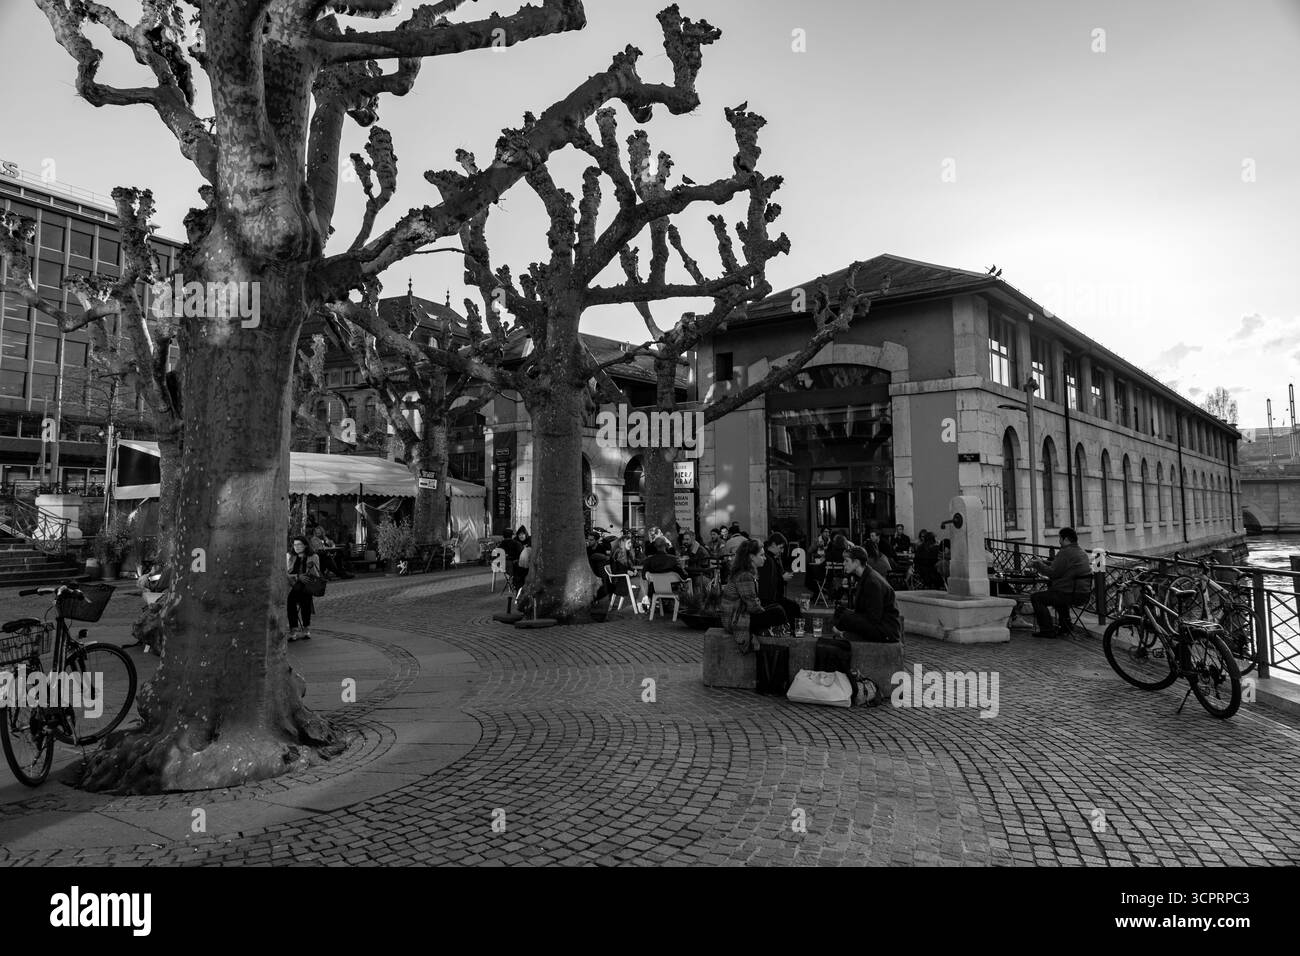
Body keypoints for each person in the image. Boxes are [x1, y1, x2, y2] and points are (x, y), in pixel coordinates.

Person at [719, 539, 789, 643]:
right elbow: (752, 606)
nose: (765, 558)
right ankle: (779, 634)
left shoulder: (746, 572)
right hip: (735, 620)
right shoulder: (745, 575)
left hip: (739, 614)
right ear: (751, 557)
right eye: (761, 555)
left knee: (777, 607)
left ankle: (778, 632)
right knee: (778, 612)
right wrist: (766, 613)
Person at [1028, 527, 1093, 638]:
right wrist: (1043, 562)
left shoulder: (1066, 552)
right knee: (1056, 595)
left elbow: (1053, 573)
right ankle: (1065, 626)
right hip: (1083, 594)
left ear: (1066, 539)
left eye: (1060, 538)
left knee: (1036, 598)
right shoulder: (1081, 551)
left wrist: (1037, 564)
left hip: (1069, 594)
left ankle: (1047, 630)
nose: (1059, 541)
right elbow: (1059, 566)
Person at [832, 546, 902, 643]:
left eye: (846, 561)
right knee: (841, 612)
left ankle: (843, 634)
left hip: (886, 631)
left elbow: (874, 617)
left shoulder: (872, 582)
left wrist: (849, 619)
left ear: (856, 562)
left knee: (845, 616)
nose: (844, 564)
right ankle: (844, 634)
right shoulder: (866, 576)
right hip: (880, 625)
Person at [757, 532, 801, 625]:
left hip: (774, 597)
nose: (782, 551)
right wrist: (782, 578)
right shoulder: (767, 559)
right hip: (771, 599)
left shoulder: (773, 558)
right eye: (780, 548)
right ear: (773, 545)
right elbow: (766, 581)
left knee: (793, 606)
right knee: (793, 607)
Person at [286, 535, 322, 642]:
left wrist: (311, 569)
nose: (296, 547)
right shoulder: (290, 556)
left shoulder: (314, 556)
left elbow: (317, 574)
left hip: (307, 585)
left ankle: (306, 628)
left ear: (305, 546)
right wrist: (298, 576)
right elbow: (285, 573)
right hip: (292, 585)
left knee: (305, 600)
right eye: (295, 544)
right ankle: (293, 629)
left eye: (299, 544)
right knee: (290, 601)